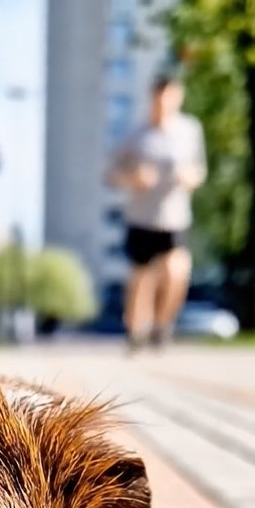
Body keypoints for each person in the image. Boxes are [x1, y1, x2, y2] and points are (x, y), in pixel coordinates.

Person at [106, 70, 206, 350]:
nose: (164, 104)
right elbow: (111, 174)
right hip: (141, 217)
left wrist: (190, 178)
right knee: (141, 277)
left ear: (178, 98)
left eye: (169, 98)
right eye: (159, 98)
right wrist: (132, 179)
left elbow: (199, 170)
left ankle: (162, 326)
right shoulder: (136, 135)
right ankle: (136, 331)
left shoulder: (190, 130)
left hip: (174, 217)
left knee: (176, 271)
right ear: (152, 98)